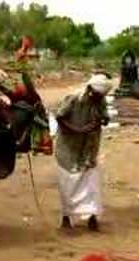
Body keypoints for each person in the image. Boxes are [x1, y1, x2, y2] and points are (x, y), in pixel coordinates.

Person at [55, 74, 112, 231]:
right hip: (68, 146)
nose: (99, 99)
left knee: (91, 184)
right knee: (68, 183)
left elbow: (105, 117)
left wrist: (100, 120)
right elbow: (59, 117)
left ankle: (92, 217)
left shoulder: (99, 100)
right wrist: (76, 130)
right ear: (90, 90)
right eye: (97, 96)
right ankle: (66, 217)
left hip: (89, 148)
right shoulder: (74, 98)